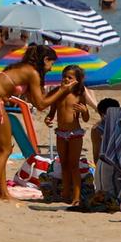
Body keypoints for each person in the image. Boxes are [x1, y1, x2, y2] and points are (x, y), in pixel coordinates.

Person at [0, 44, 67, 200]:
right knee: (5, 150)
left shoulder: (21, 68)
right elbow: (42, 104)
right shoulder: (32, 72)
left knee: (0, 149)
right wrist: (62, 90)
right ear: (45, 60)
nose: (51, 68)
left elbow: (37, 102)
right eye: (51, 63)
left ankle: (3, 193)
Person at [49, 65, 91, 206]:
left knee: (74, 165)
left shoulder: (79, 95)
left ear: (78, 80)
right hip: (60, 133)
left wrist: (84, 110)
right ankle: (65, 194)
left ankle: (77, 196)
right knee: (64, 164)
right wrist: (48, 119)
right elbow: (51, 113)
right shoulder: (57, 93)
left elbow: (85, 119)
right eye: (64, 77)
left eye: (70, 77)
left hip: (75, 134)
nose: (66, 79)